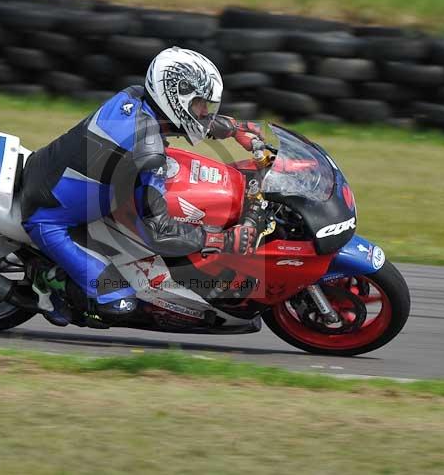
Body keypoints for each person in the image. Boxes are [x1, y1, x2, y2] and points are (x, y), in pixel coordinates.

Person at [19, 47, 262, 326]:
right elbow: (157, 234)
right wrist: (220, 240)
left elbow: (181, 122)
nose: (204, 112)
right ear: (175, 96)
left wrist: (234, 128)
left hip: (56, 175)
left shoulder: (136, 96)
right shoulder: (146, 153)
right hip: (49, 219)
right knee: (120, 303)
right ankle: (48, 283)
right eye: (200, 104)